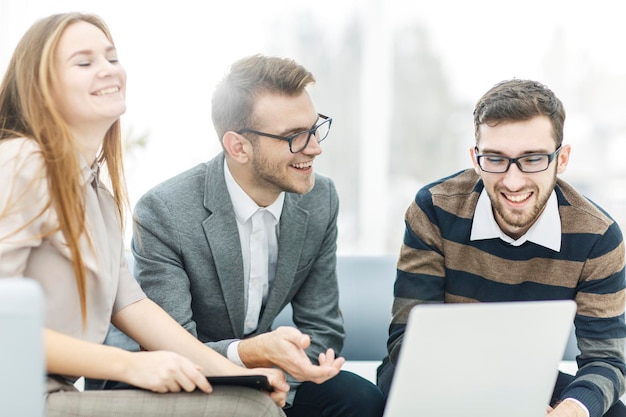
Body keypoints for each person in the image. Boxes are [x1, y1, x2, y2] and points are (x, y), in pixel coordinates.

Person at [0, 13, 289, 417]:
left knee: (252, 402)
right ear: (40, 87)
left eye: (112, 57)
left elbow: (131, 306)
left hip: (47, 393)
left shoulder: (96, 191)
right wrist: (132, 365)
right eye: (84, 63)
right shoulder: (23, 162)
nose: (107, 70)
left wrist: (240, 375)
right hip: (16, 396)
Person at [100, 54, 385, 417]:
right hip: (169, 378)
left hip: (266, 374)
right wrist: (249, 368)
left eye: (315, 128)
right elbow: (170, 349)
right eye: (294, 137)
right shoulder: (164, 211)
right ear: (238, 147)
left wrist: (279, 377)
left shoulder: (320, 199)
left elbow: (323, 329)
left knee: (359, 399)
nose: (315, 147)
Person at [377, 79, 626, 417]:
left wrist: (570, 410)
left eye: (533, 159)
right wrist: (489, 401)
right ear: (475, 159)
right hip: (436, 373)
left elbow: (606, 359)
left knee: (609, 412)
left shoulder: (598, 236)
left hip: (530, 378)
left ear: (562, 158)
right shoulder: (434, 208)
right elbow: (406, 340)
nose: (512, 181)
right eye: (495, 159)